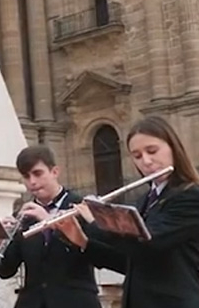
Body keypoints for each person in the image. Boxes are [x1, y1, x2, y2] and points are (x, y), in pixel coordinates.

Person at [54, 116, 199, 307]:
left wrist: (98, 221)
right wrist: (83, 241)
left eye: (152, 151)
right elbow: (128, 261)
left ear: (173, 148)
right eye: (137, 156)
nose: (146, 161)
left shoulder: (191, 197)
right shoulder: (143, 202)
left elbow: (149, 244)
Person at [0, 146, 121, 308]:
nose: (32, 182)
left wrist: (49, 221)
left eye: (38, 173)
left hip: (76, 302)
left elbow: (100, 254)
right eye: (26, 176)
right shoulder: (23, 215)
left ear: (55, 172)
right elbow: (6, 270)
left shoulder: (82, 207)